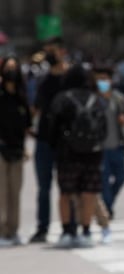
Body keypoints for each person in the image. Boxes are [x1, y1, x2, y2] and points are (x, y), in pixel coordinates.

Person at [48, 64, 107, 248]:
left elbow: (52, 128)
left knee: (65, 193)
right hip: (92, 154)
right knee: (88, 193)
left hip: (67, 154)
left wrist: (56, 148)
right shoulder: (95, 99)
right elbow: (103, 128)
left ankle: (66, 232)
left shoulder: (62, 98)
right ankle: (86, 232)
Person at [30, 37, 71, 243]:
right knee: (44, 188)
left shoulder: (71, 79)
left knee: (67, 187)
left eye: (53, 51)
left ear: (62, 52)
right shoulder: (43, 80)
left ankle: (69, 227)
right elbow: (36, 107)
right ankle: (42, 228)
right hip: (45, 140)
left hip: (66, 141)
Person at [93, 65, 124, 220]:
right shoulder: (93, 99)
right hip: (100, 148)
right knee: (103, 181)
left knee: (121, 177)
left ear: (110, 80)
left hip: (117, 146)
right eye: (98, 79)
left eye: (104, 79)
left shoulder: (118, 98)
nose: (102, 82)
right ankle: (107, 211)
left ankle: (106, 205)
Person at [0, 56, 32, 247]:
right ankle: (2, 230)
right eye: (8, 68)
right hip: (1, 150)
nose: (11, 71)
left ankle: (13, 230)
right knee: (1, 193)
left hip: (17, 150)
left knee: (15, 192)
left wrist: (25, 146)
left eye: (14, 68)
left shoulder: (22, 97)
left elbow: (27, 124)